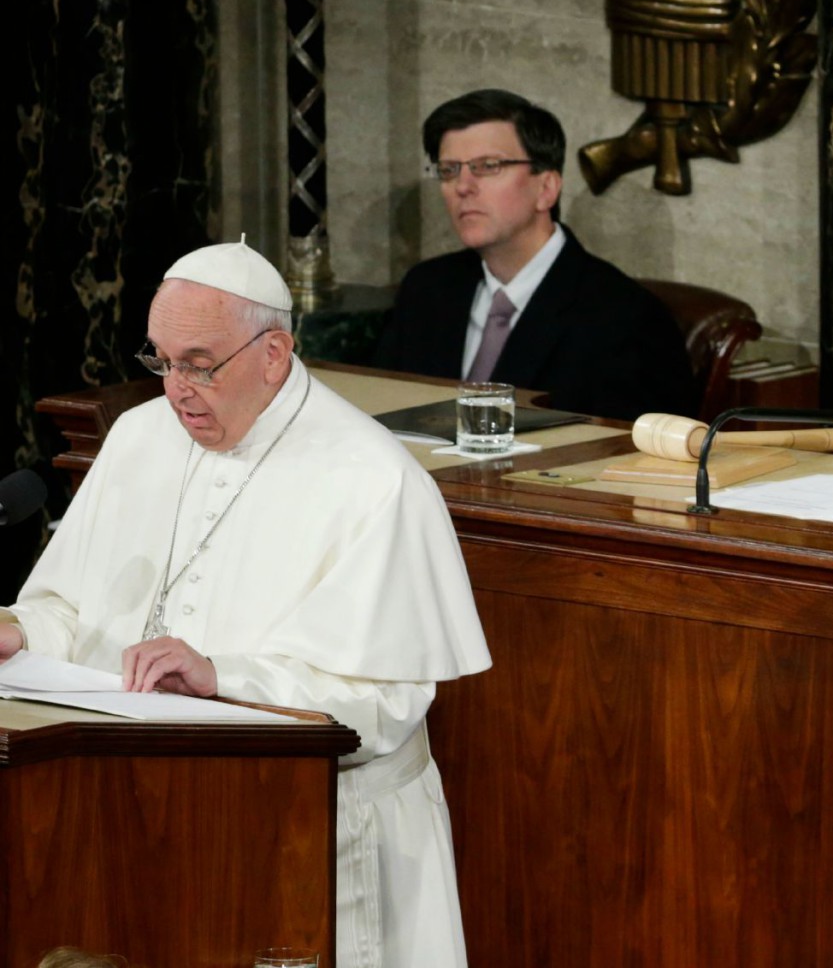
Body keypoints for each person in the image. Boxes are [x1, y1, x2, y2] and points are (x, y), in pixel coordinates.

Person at [1, 241, 493, 967]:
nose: (175, 389)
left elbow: (385, 703)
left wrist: (220, 675)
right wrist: (18, 630)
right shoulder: (139, 439)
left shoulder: (371, 478)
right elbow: (72, 612)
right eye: (161, 361)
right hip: (148, 809)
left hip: (313, 832)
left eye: (200, 364)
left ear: (274, 353)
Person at [372, 88, 695, 421]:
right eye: (449, 170)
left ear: (547, 188)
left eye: (487, 166)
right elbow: (383, 418)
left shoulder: (623, 315)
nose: (463, 186)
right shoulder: (427, 289)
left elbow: (645, 457)